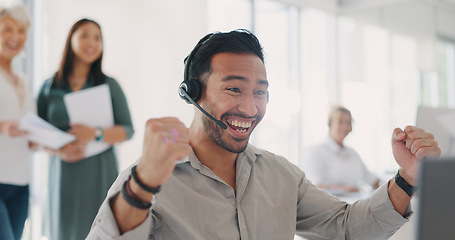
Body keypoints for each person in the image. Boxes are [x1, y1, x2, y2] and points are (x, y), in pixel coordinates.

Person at [86, 29, 440, 240]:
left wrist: (407, 178)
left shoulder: (282, 175)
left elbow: (347, 228)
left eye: (261, 92)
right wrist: (142, 185)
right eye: (235, 89)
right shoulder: (146, 179)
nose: (251, 108)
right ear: (193, 93)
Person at [37, 19, 134, 240]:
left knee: (100, 230)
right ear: (70, 39)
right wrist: (58, 150)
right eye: (84, 35)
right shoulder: (48, 87)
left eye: (97, 37)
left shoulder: (109, 85)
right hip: (63, 176)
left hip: (99, 173)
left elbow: (128, 130)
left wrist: (96, 133)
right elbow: (35, 136)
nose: (92, 42)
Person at [0, 3, 34, 240]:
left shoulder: (23, 81)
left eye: (21, 30)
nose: (15, 37)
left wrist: (38, 139)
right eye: (7, 29)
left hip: (21, 183)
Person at [303, 106, 380, 194]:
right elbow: (315, 186)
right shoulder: (315, 151)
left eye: (348, 123)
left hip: (355, 204)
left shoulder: (352, 153)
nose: (345, 127)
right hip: (330, 205)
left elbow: (372, 180)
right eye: (340, 122)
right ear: (330, 124)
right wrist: (346, 189)